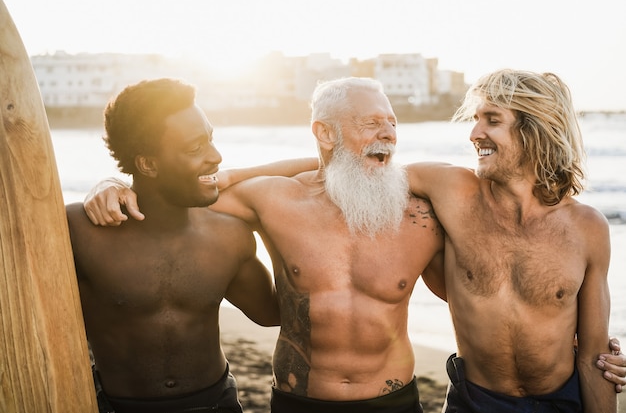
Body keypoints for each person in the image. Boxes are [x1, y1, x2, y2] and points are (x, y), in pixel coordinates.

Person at [83, 76, 626, 411]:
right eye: (372, 124)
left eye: (392, 124)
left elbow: (521, 299)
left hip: (401, 402)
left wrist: (588, 353)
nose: (388, 135)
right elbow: (177, 196)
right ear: (325, 133)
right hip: (304, 403)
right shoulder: (274, 202)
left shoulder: (430, 206)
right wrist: (117, 184)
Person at [66, 78, 283, 413]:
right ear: (148, 164)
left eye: (210, 139)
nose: (216, 156)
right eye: (194, 148)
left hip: (217, 405)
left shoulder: (231, 235)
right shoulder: (80, 232)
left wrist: (272, 223)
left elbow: (272, 313)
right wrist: (106, 183)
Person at [404, 69, 616, 412]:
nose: (475, 133)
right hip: (473, 402)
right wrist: (285, 184)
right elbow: (367, 173)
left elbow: (595, 359)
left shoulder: (586, 227)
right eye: (475, 119)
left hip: (561, 402)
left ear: (534, 131)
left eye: (492, 120)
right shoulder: (451, 193)